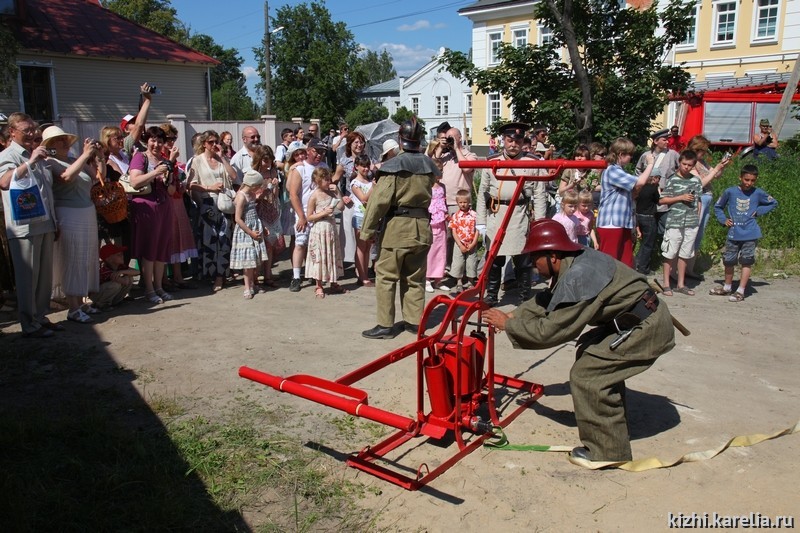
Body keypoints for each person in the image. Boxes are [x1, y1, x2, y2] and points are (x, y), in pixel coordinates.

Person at [482, 218, 675, 462]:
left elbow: (552, 330)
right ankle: (608, 423)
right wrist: (516, 314)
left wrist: (508, 324)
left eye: (534, 258)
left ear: (552, 255)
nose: (532, 264)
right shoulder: (575, 259)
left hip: (647, 327)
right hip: (635, 319)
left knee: (587, 376)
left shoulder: (580, 276)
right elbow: (550, 298)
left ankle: (608, 452)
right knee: (589, 351)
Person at [360, 118, 439, 339]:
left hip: (397, 229)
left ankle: (386, 325)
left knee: (386, 276)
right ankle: (414, 321)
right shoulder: (428, 166)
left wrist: (367, 232)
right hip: (422, 227)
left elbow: (379, 202)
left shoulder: (393, 167)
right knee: (414, 277)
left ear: (400, 140)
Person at [476, 121, 547, 307]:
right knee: (494, 258)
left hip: (519, 215)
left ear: (522, 141)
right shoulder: (492, 163)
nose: (513, 144)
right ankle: (491, 295)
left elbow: (539, 194)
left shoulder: (532, 163)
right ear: (503, 140)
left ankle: (524, 297)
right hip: (496, 214)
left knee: (523, 260)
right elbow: (482, 193)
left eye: (517, 140)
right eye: (509, 140)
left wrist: (539, 222)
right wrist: (480, 222)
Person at [43, 126, 102, 323]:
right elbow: (67, 177)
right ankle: (73, 307)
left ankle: (82, 301)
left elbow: (95, 177)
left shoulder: (72, 159)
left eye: (65, 139)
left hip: (87, 211)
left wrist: (98, 156)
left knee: (86, 258)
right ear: (50, 145)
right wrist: (84, 156)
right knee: (72, 258)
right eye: (59, 141)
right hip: (68, 213)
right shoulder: (50, 162)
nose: (65, 143)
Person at [710, 164, 778, 302]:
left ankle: (740, 291)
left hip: (750, 233)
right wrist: (723, 220)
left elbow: (773, 203)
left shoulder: (758, 193)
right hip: (734, 232)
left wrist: (759, 211)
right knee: (729, 260)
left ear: (756, 179)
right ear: (740, 177)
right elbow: (718, 206)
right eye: (746, 179)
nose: (749, 183)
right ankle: (727, 287)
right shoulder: (730, 191)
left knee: (746, 261)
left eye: (752, 180)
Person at [128, 126, 175, 305]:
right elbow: (135, 181)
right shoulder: (141, 157)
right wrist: (156, 172)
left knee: (161, 249)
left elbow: (171, 190)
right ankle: (149, 289)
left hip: (163, 207)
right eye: (153, 140)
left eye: (160, 141)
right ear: (147, 140)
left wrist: (167, 177)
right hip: (146, 208)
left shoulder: (164, 160)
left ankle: (159, 287)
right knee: (150, 249)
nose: (156, 144)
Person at [187, 130, 237, 292]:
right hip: (207, 203)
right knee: (209, 241)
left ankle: (220, 276)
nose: (215, 145)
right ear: (203, 144)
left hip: (224, 204)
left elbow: (234, 176)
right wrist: (209, 188)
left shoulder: (221, 160)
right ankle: (209, 274)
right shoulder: (197, 161)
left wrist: (222, 157)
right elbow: (191, 184)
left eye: (217, 141)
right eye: (211, 142)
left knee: (224, 239)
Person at [596, 137, 654, 267]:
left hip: (622, 222)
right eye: (630, 155)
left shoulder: (619, 171)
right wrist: (650, 164)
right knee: (609, 263)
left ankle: (624, 286)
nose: (631, 158)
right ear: (621, 154)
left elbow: (634, 189)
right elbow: (640, 181)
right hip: (611, 224)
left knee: (626, 262)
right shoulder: (612, 170)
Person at [685, 135, 732, 279]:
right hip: (699, 199)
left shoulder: (702, 162)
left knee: (700, 233)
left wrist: (721, 166)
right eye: (703, 150)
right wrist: (715, 169)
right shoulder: (690, 162)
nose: (705, 153)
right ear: (697, 149)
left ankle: (690, 269)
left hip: (707, 198)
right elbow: (699, 184)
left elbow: (715, 175)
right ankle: (683, 269)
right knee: (693, 232)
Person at [286, 138, 328, 292]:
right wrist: (302, 216)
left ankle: (314, 273)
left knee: (318, 243)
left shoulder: (324, 166)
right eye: (317, 151)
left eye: (323, 152)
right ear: (309, 150)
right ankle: (296, 276)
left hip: (320, 212)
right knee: (300, 243)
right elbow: (293, 194)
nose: (320, 155)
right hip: (303, 211)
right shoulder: (301, 169)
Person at [658, 150, 702, 296]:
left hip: (691, 221)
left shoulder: (695, 180)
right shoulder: (672, 179)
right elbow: (662, 200)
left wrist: (697, 216)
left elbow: (698, 200)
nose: (686, 167)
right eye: (684, 164)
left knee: (685, 253)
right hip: (675, 221)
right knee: (670, 252)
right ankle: (666, 284)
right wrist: (680, 197)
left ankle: (681, 283)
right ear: (680, 163)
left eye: (690, 165)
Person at [159, 123, 197, 291]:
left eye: (174, 139)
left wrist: (183, 184)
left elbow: (175, 179)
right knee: (169, 238)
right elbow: (163, 179)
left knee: (178, 238)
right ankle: (164, 280)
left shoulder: (171, 158)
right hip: (166, 202)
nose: (172, 142)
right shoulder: (161, 157)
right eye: (169, 139)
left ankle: (178, 276)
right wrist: (171, 160)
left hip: (177, 200)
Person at [305, 167, 347, 299]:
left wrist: (338, 192)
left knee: (332, 254)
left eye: (330, 179)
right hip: (320, 229)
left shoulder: (331, 192)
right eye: (326, 180)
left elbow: (341, 207)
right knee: (320, 256)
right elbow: (309, 217)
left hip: (331, 228)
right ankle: (319, 285)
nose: (329, 182)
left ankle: (333, 282)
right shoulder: (314, 196)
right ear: (317, 181)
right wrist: (323, 212)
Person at [230, 169, 268, 299]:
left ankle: (253, 283)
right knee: (248, 261)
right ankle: (247, 286)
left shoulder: (251, 194)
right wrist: (250, 232)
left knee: (255, 259)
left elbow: (255, 212)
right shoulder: (241, 196)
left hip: (255, 227)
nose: (258, 189)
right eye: (257, 186)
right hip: (245, 231)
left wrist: (262, 226)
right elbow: (238, 219)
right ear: (252, 185)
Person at [636, 128, 680, 237]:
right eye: (664, 140)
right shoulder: (645, 155)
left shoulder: (673, 154)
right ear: (656, 141)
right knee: (648, 231)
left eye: (667, 139)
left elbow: (681, 170)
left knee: (665, 229)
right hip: (647, 198)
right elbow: (638, 172)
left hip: (665, 196)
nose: (667, 142)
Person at [252, 145, 283, 288]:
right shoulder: (253, 174)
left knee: (271, 244)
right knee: (260, 244)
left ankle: (268, 274)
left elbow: (276, 196)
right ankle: (256, 275)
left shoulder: (273, 172)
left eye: (270, 160)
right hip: (259, 211)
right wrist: (263, 192)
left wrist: (275, 186)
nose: (268, 163)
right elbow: (251, 196)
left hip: (272, 209)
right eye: (265, 160)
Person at [349, 154, 375, 286]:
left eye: (367, 165)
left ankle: (364, 273)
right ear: (357, 167)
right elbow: (363, 198)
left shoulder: (370, 182)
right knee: (361, 246)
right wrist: (374, 187)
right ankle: (362, 276)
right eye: (363, 166)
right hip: (359, 216)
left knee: (367, 247)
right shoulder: (355, 183)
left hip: (370, 217)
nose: (365, 168)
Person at [89, 244, 139, 310]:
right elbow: (125, 282)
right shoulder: (105, 270)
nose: (122, 256)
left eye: (122, 254)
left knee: (130, 278)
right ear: (109, 259)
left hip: (104, 292)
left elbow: (137, 272)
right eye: (118, 255)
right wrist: (126, 274)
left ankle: (116, 301)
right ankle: (102, 304)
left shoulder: (120, 266)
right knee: (115, 285)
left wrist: (122, 272)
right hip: (95, 295)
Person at [448, 188, 479, 290]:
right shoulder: (456, 216)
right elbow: (454, 231)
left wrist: (474, 243)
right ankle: (459, 282)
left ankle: (470, 281)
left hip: (471, 243)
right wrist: (460, 245)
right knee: (458, 263)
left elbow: (477, 229)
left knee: (471, 262)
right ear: (457, 203)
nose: (463, 204)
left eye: (465, 202)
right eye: (460, 202)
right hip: (459, 244)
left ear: (469, 202)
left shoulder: (474, 215)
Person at [633, 169, 662, 275]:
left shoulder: (640, 187)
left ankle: (636, 263)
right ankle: (643, 268)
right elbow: (658, 201)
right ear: (654, 178)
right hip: (649, 217)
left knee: (643, 243)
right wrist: (658, 191)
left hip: (638, 215)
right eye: (659, 178)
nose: (659, 181)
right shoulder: (653, 188)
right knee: (648, 244)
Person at [425, 171, 449, 293]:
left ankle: (438, 279)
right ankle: (427, 278)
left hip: (441, 221)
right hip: (431, 220)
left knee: (441, 249)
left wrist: (446, 214)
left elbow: (444, 202)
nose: (440, 173)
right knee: (431, 250)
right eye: (438, 170)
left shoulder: (443, 186)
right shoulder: (427, 185)